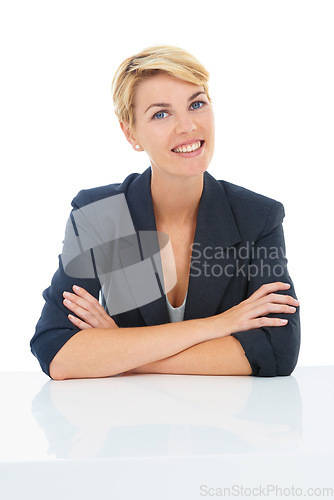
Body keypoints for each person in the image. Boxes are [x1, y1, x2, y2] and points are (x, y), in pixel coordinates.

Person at [31, 45, 300, 380]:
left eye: (197, 104)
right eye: (161, 114)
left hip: (224, 424)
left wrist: (115, 349)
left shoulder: (257, 217)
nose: (187, 126)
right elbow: (56, 350)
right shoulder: (100, 215)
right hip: (128, 422)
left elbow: (277, 351)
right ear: (131, 133)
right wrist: (218, 327)